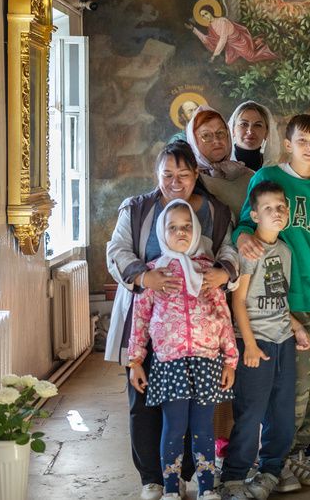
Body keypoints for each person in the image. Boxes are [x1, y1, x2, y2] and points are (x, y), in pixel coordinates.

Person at [104, 142, 238, 500]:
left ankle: (191, 477)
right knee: (144, 402)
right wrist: (143, 276)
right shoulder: (136, 208)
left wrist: (223, 272)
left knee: (196, 411)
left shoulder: (215, 211)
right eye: (167, 174)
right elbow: (117, 250)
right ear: (157, 174)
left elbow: (229, 248)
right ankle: (155, 479)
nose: (175, 182)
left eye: (183, 174)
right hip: (151, 317)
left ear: (196, 174)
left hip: (200, 330)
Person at [234, 114, 310, 489]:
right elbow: (245, 223)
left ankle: (295, 457)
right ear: (288, 143)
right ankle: (274, 462)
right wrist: (240, 236)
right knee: (288, 394)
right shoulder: (268, 178)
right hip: (278, 304)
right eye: (303, 140)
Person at [127, 200, 239, 500]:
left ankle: (206, 489)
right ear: (162, 233)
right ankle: (171, 489)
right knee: (173, 427)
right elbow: (140, 319)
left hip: (207, 361)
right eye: (173, 227)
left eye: (187, 226)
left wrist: (230, 361)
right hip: (170, 362)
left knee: (203, 427)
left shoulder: (209, 272)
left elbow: (224, 317)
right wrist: (135, 361)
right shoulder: (154, 273)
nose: (181, 232)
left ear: (197, 230)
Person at [220, 181, 310, 499]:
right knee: (250, 412)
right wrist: (249, 344)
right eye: (269, 208)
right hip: (254, 341)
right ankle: (233, 478)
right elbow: (238, 302)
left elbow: (279, 299)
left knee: (282, 412)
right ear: (255, 215)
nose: (277, 212)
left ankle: (271, 471)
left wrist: (296, 327)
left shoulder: (284, 250)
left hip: (282, 341)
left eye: (281, 207)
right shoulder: (249, 251)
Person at [186, 105, 255, 220]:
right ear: (194, 141)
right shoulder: (188, 181)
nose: (216, 140)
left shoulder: (247, 175)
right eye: (206, 136)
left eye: (221, 132)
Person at [187, 6, 278, 64]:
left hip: (240, 40)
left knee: (251, 57)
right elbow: (208, 40)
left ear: (210, 12)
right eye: (203, 16)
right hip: (231, 45)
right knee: (228, 61)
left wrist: (214, 55)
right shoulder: (211, 26)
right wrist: (193, 29)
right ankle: (254, 43)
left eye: (206, 13)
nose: (205, 17)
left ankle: (263, 47)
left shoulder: (223, 21)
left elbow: (223, 38)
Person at [228, 101, 280, 171]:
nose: (250, 131)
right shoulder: (221, 169)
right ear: (233, 130)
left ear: (266, 132)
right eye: (244, 124)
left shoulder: (274, 171)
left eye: (257, 125)